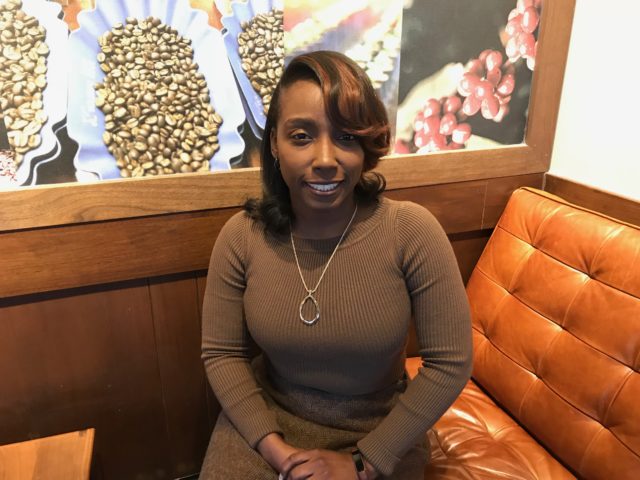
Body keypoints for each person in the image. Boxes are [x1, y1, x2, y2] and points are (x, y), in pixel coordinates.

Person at [200, 50, 472, 479]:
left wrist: (362, 463)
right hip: (268, 420)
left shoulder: (411, 231)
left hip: (380, 428)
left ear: (366, 144)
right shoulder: (242, 236)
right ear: (274, 144)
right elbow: (222, 354)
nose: (326, 159)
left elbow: (450, 363)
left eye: (346, 136)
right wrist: (276, 451)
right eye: (301, 136)